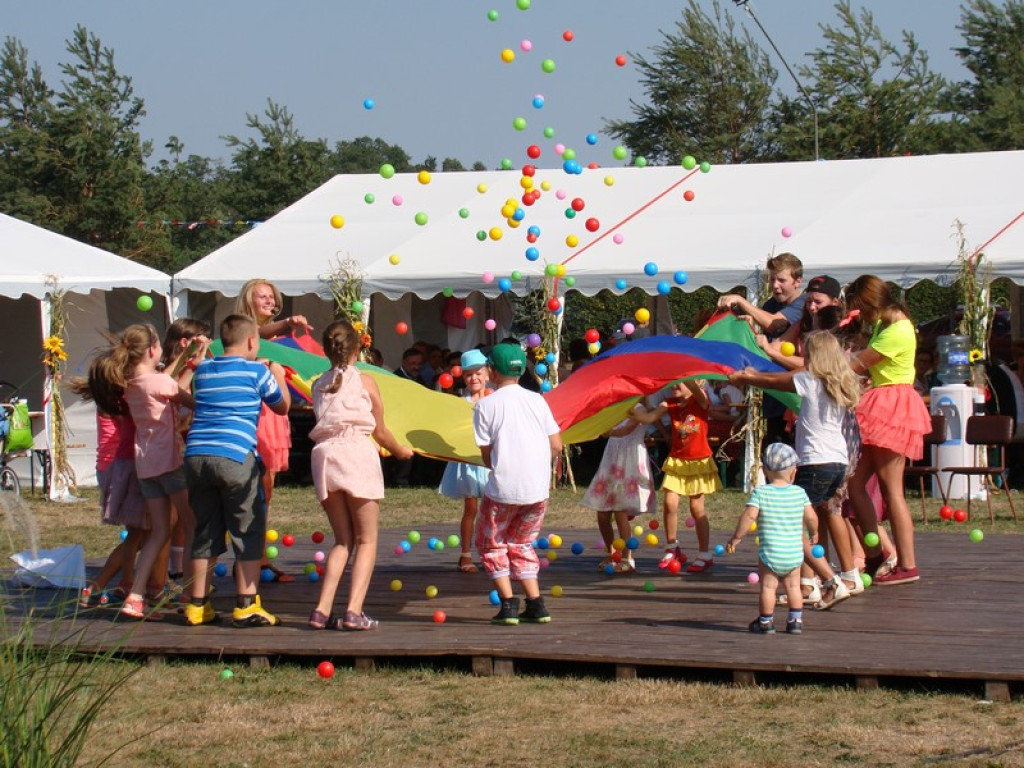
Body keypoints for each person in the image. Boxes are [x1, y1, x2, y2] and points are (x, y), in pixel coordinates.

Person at [729, 331, 863, 608]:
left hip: (816, 463)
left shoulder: (809, 380)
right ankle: (808, 584)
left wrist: (747, 377)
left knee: (792, 529)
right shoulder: (838, 382)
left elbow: (775, 382)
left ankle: (830, 581)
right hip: (838, 462)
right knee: (813, 521)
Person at [182, 314, 290, 628]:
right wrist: (278, 374)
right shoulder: (257, 371)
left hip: (197, 456)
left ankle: (197, 605)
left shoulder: (202, 371)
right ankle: (246, 603)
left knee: (205, 530)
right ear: (252, 342)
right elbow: (281, 406)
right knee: (248, 528)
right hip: (235, 456)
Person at [307, 320, 413, 630]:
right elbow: (379, 430)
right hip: (356, 454)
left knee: (342, 540)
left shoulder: (318, 384)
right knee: (366, 540)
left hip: (324, 457)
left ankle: (321, 610)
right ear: (357, 350)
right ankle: (353, 611)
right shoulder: (365, 382)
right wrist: (400, 451)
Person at [89, 324, 197, 621]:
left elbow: (170, 382)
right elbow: (193, 402)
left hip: (146, 467)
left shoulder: (132, 383)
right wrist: (197, 363)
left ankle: (136, 596)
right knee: (191, 526)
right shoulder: (159, 382)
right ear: (152, 350)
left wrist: (190, 357)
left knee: (158, 531)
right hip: (171, 463)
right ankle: (191, 596)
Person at [844, 275, 932, 585]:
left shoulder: (898, 330)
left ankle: (907, 564)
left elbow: (857, 364)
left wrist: (825, 359)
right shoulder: (884, 325)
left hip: (892, 405)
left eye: (860, 308)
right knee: (854, 486)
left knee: (891, 488)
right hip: (879, 401)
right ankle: (877, 555)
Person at [474, 343, 562, 625]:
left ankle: (509, 605)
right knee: (522, 543)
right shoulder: (538, 400)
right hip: (537, 490)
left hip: (503, 489)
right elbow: (557, 445)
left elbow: (487, 455)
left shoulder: (485, 405)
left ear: (492, 371)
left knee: (492, 543)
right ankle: (536, 604)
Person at [235, 278, 310, 581]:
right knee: (253, 490)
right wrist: (285, 324)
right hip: (254, 415)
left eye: (271, 296)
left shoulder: (281, 339)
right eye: (261, 296)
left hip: (274, 412)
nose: (268, 300)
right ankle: (253, 558)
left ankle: (259, 556)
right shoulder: (241, 329)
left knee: (266, 490)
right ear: (248, 300)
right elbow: (257, 333)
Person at [70, 361, 146, 608]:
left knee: (140, 533)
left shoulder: (108, 398)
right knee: (141, 532)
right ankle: (103, 584)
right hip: (120, 468)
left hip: (109, 467)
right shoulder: (119, 400)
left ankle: (123, 581)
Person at [728, 443, 818, 634]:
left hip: (770, 553)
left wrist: (736, 537)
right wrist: (814, 532)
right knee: (793, 586)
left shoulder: (761, 493)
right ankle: (795, 621)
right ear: (793, 472)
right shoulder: (799, 493)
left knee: (768, 587)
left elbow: (749, 516)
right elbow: (811, 517)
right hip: (794, 553)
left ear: (764, 470)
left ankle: (765, 622)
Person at [718, 253, 807, 446]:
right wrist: (749, 325)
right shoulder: (771, 304)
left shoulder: (804, 304)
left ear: (797, 281)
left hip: (796, 395)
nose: (775, 285)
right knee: (775, 452)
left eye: (782, 280)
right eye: (772, 279)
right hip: (775, 392)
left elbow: (773, 324)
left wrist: (742, 302)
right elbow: (764, 338)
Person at [633, 380, 721, 573]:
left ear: (698, 382)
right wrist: (631, 406)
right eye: (675, 380)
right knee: (669, 504)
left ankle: (704, 554)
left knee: (697, 509)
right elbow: (649, 418)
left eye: (682, 381)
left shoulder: (700, 400)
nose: (676, 383)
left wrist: (687, 372)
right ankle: (672, 546)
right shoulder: (670, 403)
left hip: (698, 463)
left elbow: (698, 392)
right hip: (677, 461)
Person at [580, 402, 657, 573]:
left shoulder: (638, 407)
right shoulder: (615, 407)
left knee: (620, 511)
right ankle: (611, 551)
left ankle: (626, 556)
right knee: (602, 512)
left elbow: (628, 428)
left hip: (628, 462)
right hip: (612, 461)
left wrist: (609, 432)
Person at [438, 349, 492, 573]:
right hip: (468, 460)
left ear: (487, 373)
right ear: (463, 377)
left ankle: (491, 552)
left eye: (478, 373)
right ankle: (466, 554)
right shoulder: (462, 402)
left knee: (492, 508)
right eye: (469, 375)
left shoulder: (495, 399)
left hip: (489, 459)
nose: (474, 378)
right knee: (471, 507)